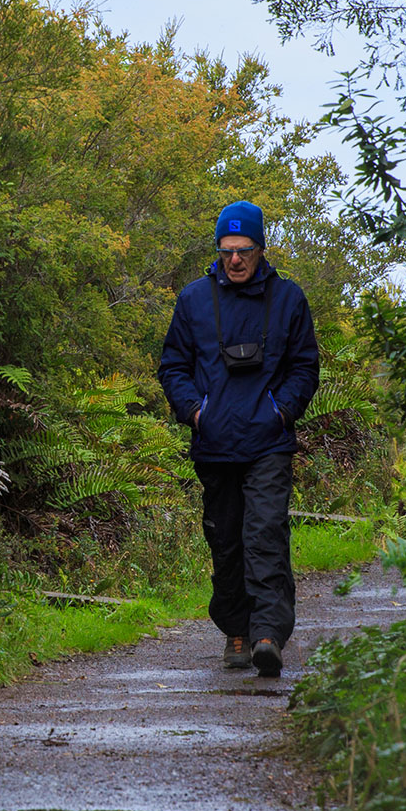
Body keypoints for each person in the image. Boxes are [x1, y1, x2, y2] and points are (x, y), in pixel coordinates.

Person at [157, 201, 319, 677]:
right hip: (216, 443)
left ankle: (268, 634)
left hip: (268, 442)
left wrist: (282, 410)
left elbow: (305, 366)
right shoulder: (193, 300)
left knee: (265, 533)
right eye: (226, 251)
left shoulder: (288, 299)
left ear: (260, 247)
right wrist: (196, 412)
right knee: (225, 540)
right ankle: (237, 632)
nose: (234, 260)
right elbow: (173, 367)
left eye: (243, 249)